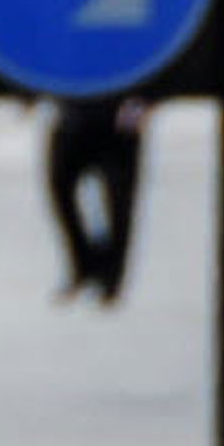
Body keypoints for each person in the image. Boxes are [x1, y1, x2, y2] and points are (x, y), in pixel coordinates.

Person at [40, 90, 149, 303]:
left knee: (119, 201)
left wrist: (142, 105)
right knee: (60, 184)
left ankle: (111, 278)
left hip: (119, 116)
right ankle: (83, 265)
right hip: (72, 110)